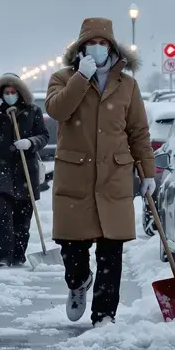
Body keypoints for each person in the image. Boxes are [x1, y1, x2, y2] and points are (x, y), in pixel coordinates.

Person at [44, 18, 153, 326]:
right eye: (92, 43)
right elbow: (57, 111)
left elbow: (138, 132)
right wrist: (81, 78)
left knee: (111, 251)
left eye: (104, 43)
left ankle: (105, 314)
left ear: (112, 48)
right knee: (73, 249)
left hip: (113, 179)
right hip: (75, 178)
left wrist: (147, 172)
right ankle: (78, 283)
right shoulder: (62, 78)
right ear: (81, 48)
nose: (98, 48)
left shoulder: (127, 85)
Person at [0, 73, 48, 268]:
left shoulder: (33, 111)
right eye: (6, 92)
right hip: (0, 168)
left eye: (14, 92)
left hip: (25, 171)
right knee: (2, 215)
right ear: (0, 94)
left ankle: (18, 255)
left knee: (23, 218)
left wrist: (30, 142)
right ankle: (4, 256)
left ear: (20, 93)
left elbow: (44, 136)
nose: (10, 95)